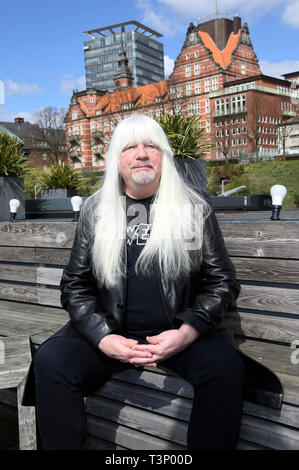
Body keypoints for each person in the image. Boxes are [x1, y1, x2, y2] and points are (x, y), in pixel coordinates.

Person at [22, 113, 283, 450]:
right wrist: (103, 338)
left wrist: (186, 331)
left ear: (164, 157)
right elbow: (74, 284)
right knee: (51, 361)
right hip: (112, 332)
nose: (142, 153)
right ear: (117, 158)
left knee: (225, 368)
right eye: (130, 146)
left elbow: (222, 281)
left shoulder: (192, 208)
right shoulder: (96, 210)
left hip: (178, 336)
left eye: (152, 146)